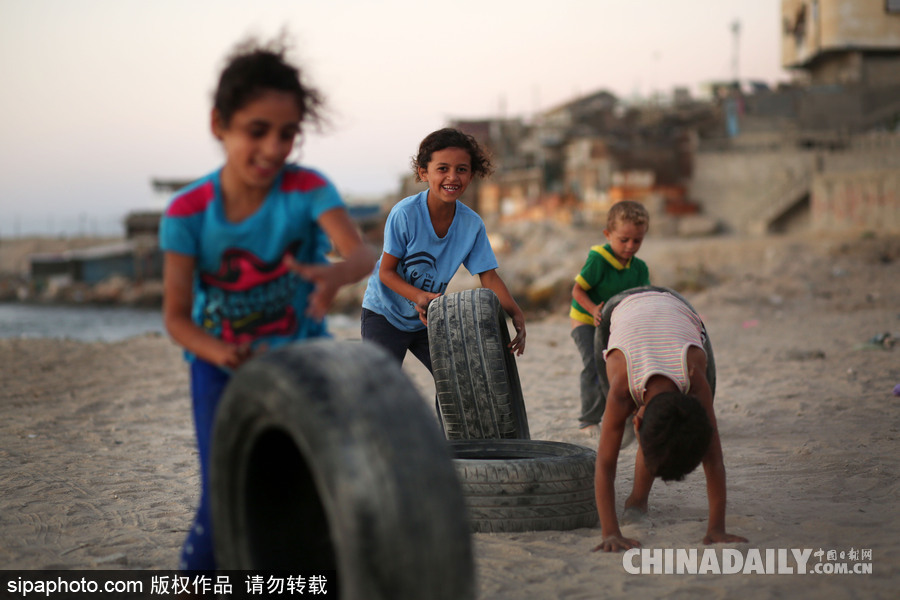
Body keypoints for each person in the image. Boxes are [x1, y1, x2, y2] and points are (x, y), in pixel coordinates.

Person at [159, 37, 375, 571]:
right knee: (223, 502)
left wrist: (338, 273)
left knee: (312, 497)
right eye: (257, 131)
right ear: (220, 125)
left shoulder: (307, 189)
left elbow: (361, 253)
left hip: (302, 363)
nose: (275, 149)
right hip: (219, 370)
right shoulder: (187, 213)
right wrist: (223, 354)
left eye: (288, 134)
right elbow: (176, 317)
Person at [361, 127, 526, 377]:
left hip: (430, 317)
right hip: (384, 312)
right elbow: (386, 272)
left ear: (472, 174)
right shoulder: (405, 214)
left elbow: (489, 277)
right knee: (380, 384)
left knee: (457, 381)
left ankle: (448, 419)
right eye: (442, 169)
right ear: (423, 172)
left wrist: (516, 313)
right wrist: (418, 296)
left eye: (462, 169)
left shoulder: (471, 225)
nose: (452, 177)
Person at [593, 288, 747, 552]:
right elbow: (605, 465)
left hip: (680, 312)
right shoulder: (621, 384)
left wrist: (716, 528)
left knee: (677, 432)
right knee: (622, 420)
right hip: (620, 306)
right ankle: (637, 497)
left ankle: (637, 501)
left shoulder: (696, 378)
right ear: (636, 420)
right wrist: (610, 532)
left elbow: (713, 458)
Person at [570, 200, 650, 432]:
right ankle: (589, 419)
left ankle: (628, 411)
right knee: (594, 364)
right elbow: (577, 290)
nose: (630, 246)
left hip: (616, 324)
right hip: (586, 319)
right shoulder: (599, 260)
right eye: (623, 240)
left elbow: (643, 297)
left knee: (624, 365)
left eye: (637, 240)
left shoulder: (640, 268)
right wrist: (594, 310)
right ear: (608, 234)